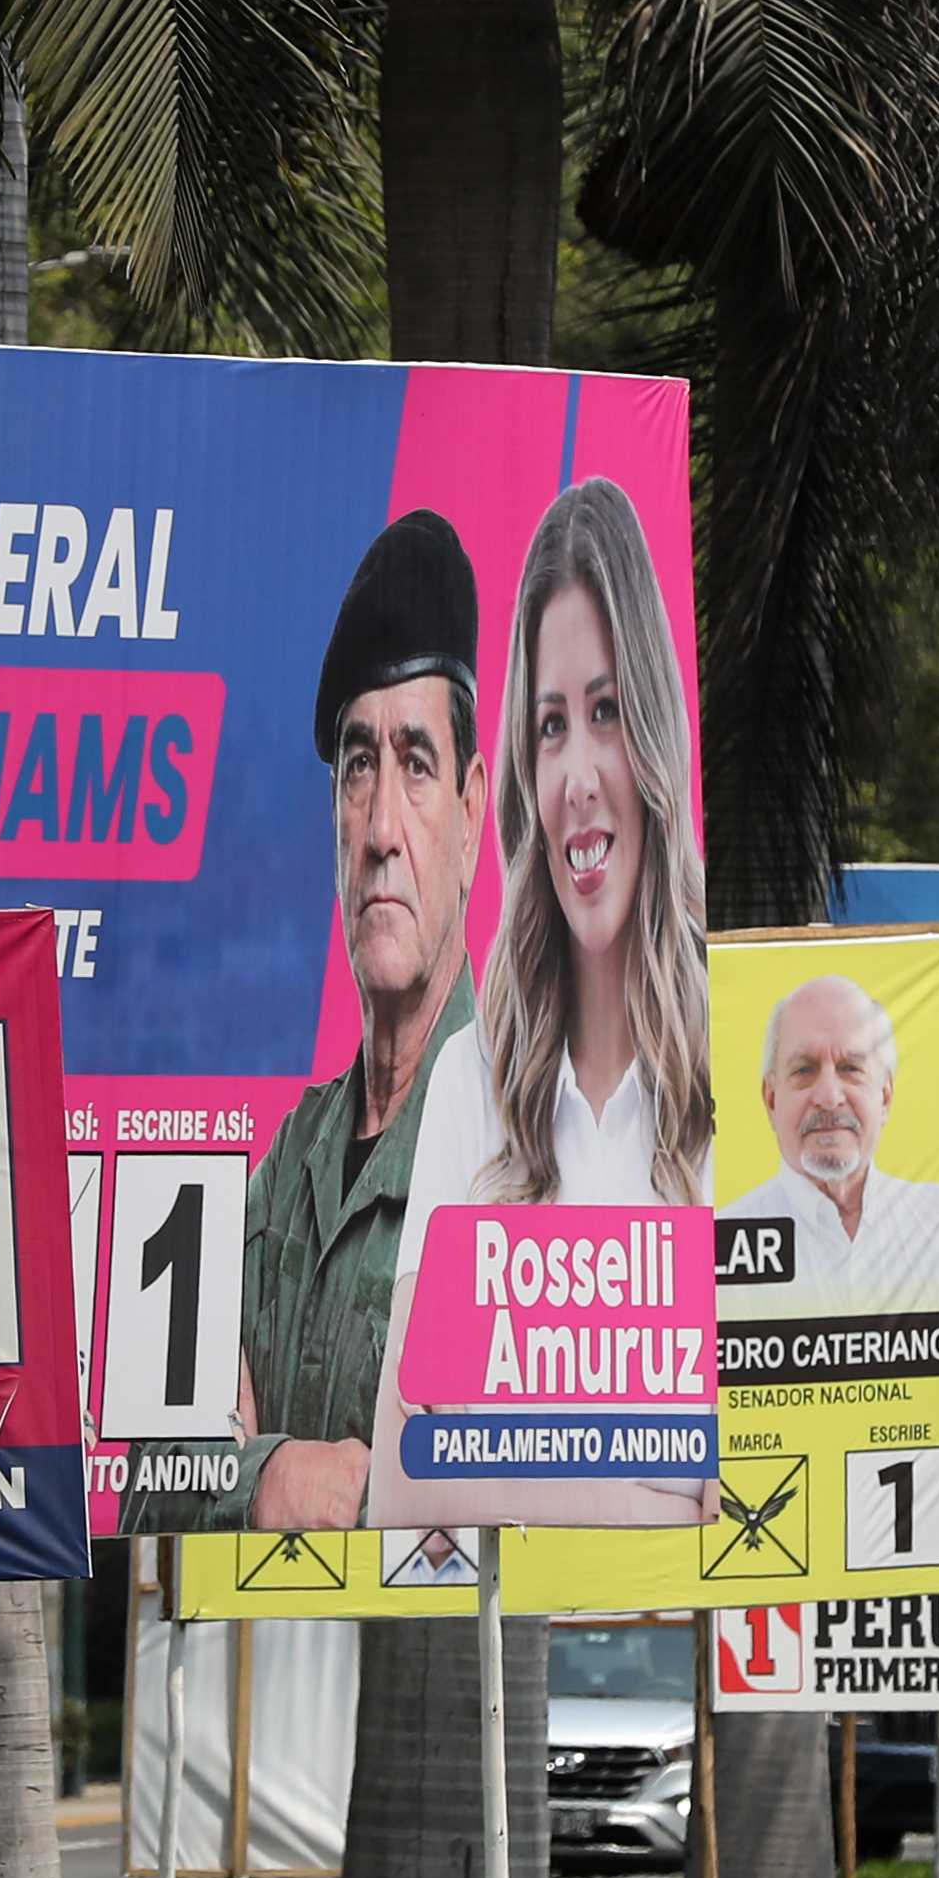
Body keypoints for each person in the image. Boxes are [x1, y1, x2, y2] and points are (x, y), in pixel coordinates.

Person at [118, 511, 485, 1535]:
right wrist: (271, 1479)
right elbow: (151, 1471)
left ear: (472, 814)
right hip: (256, 1691)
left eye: (414, 764)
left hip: (454, 1693)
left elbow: (510, 1492)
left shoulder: (523, 1148)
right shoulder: (288, 1160)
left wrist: (243, 1448)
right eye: (356, 766)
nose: (378, 830)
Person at [371, 477, 716, 1527]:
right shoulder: (471, 1081)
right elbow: (400, 1476)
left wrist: (507, 1465)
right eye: (549, 724)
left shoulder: (739, 1080)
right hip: (500, 1647)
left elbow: (763, 1481)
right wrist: (650, 1485)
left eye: (606, 713)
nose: (574, 772)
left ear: (653, 734)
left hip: (703, 1668)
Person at [722, 971, 939, 1284]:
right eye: (804, 1070)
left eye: (851, 1068)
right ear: (771, 1099)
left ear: (885, 1096)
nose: (829, 1098)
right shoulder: (719, 1239)